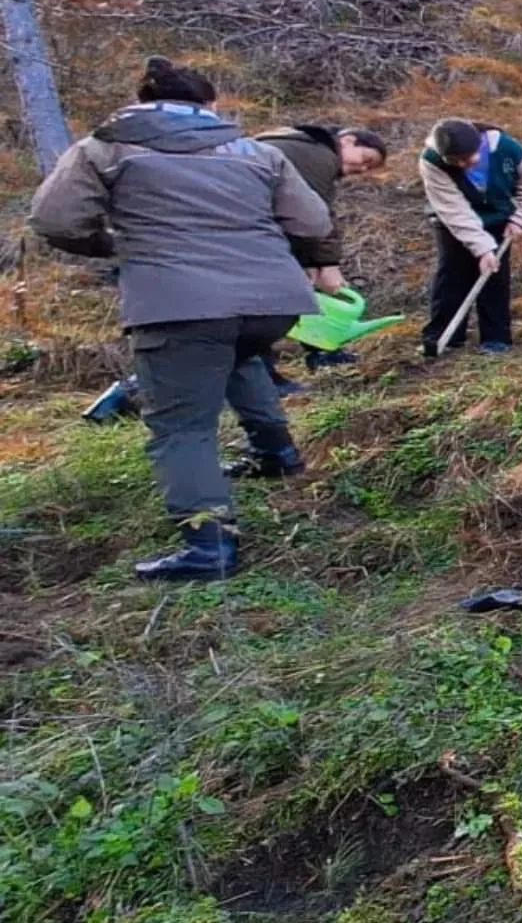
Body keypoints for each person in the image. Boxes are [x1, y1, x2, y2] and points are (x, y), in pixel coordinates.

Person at [27, 56, 331, 582]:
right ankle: (276, 454)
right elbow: (312, 221)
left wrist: (111, 244)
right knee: (237, 352)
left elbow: (54, 220)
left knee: (182, 426)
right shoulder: (255, 151)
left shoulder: (104, 148)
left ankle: (208, 545)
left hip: (179, 301)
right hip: (273, 299)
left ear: (142, 101)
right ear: (209, 106)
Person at [252, 124, 389, 384]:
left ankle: (322, 352)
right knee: (260, 309)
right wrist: (325, 264)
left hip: (258, 235)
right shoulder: (318, 156)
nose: (363, 169)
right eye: (366, 159)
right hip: (255, 241)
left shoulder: (297, 146)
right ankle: (267, 380)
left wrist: (312, 262)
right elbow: (314, 216)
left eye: (369, 169)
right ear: (348, 140)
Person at [419, 119, 522, 357]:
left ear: (480, 145)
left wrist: (520, 219)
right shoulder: (432, 161)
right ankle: (443, 336)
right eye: (455, 162)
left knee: (495, 278)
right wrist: (483, 248)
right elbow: (454, 210)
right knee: (451, 275)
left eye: (468, 158)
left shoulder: (509, 149)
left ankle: (496, 338)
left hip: (499, 219)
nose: (464, 165)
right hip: (453, 223)